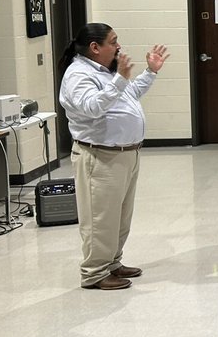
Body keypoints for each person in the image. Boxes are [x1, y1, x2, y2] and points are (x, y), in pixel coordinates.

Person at [57, 23, 169, 291]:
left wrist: (150, 72)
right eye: (113, 41)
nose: (119, 46)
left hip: (125, 155)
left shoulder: (106, 71)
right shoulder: (78, 74)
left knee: (119, 217)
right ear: (95, 47)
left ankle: (112, 263)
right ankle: (94, 273)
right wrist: (120, 78)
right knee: (100, 220)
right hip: (100, 156)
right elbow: (91, 107)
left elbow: (129, 94)